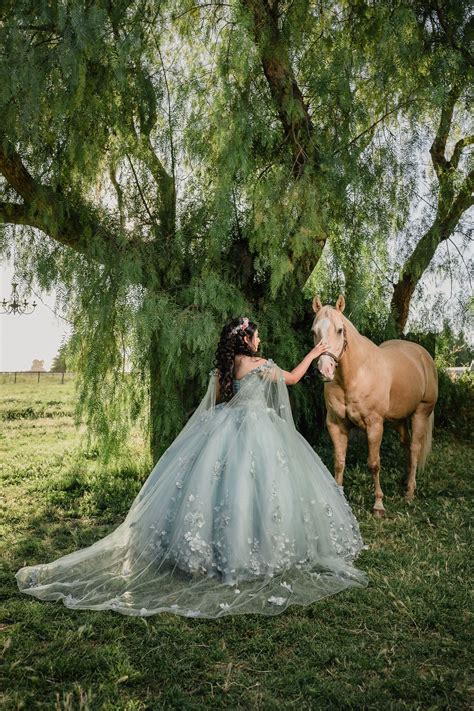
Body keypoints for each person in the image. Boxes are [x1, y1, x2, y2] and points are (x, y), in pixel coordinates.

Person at [16, 317, 368, 618]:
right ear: (245, 339)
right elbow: (291, 379)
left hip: (226, 428)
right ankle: (248, 555)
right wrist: (317, 352)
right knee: (256, 490)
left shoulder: (225, 369)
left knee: (217, 488)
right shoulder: (260, 365)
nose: (260, 339)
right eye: (255, 335)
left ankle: (208, 554)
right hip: (260, 430)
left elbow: (217, 402)